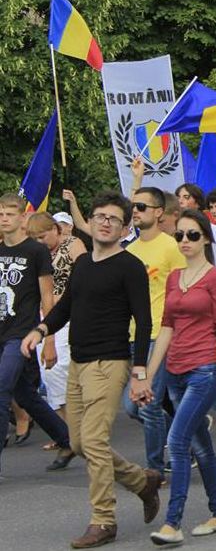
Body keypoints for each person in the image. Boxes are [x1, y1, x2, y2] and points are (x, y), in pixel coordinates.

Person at [21, 191, 162, 549]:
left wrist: (140, 370)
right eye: (100, 216)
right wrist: (41, 330)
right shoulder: (84, 265)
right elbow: (66, 305)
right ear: (92, 220)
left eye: (113, 218)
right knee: (81, 442)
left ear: (124, 226)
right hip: (79, 364)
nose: (104, 222)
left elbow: (143, 322)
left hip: (109, 363)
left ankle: (104, 520)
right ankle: (140, 481)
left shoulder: (130, 267)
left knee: (95, 443)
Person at [138, 210, 216, 545]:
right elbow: (166, 327)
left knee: (178, 442)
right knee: (200, 445)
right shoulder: (173, 277)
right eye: (180, 235)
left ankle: (172, 522)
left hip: (205, 369)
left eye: (193, 235)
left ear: (206, 238)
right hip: (176, 370)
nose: (185, 241)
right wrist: (148, 376)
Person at [0, 196, 72, 475]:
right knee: (26, 395)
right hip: (2, 331)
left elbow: (47, 296)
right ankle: (66, 439)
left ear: (22, 218)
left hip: (23, 334)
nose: (4, 218)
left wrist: (49, 338)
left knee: (2, 388)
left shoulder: (35, 251)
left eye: (9, 213)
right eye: (1, 213)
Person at [123, 186, 186, 476]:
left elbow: (185, 290)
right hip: (134, 338)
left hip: (161, 335)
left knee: (147, 405)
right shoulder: (130, 251)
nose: (135, 211)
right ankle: (184, 437)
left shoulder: (172, 246)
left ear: (159, 212)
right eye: (134, 206)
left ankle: (154, 470)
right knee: (132, 407)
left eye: (142, 206)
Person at [25, 212, 85, 420]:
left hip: (70, 313)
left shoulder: (72, 244)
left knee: (61, 366)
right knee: (48, 371)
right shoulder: (34, 254)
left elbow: (85, 275)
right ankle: (64, 428)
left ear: (55, 229)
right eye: (34, 238)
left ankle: (76, 427)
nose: (39, 242)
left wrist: (61, 295)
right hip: (43, 313)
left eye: (42, 236)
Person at [176, 183, 216, 266]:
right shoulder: (173, 227)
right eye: (178, 197)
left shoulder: (212, 229)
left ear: (197, 202)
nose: (180, 201)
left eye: (186, 197)